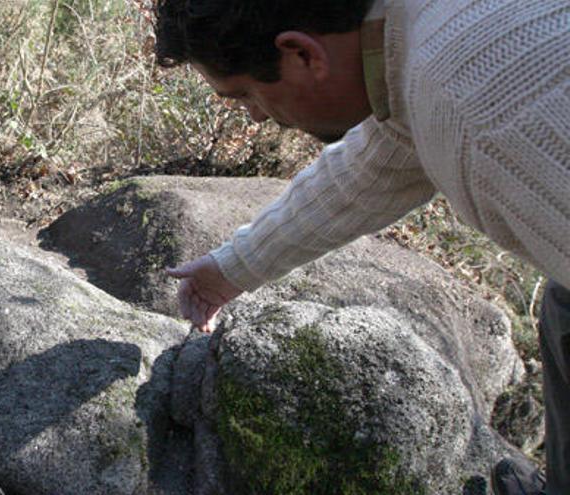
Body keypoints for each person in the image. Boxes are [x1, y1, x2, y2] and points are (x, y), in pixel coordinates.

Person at [154, 0, 570, 493]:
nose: (256, 117)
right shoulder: (415, 38)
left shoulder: (471, 111)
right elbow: (372, 169)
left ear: (302, 54)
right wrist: (232, 268)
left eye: (245, 94)